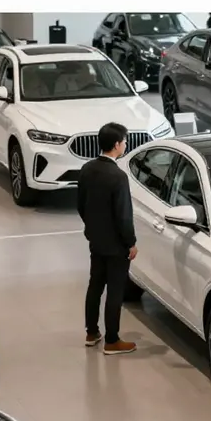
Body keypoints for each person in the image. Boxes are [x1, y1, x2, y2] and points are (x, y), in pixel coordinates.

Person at [77, 123, 138, 355]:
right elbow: (123, 216)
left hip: (96, 240)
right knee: (114, 291)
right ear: (116, 145)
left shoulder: (86, 169)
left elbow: (81, 205)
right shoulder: (118, 177)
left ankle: (92, 332)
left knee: (95, 286)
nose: (125, 144)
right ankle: (112, 340)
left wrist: (92, 227)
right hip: (116, 245)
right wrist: (130, 242)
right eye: (124, 141)